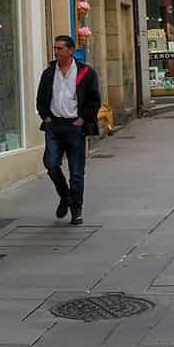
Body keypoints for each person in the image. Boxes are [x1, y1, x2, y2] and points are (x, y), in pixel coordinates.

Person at [35, 35, 102, 224]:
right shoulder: (49, 73)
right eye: (54, 48)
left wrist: (82, 119)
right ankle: (65, 195)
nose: (56, 51)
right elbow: (41, 98)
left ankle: (76, 208)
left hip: (75, 127)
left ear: (71, 51)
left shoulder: (86, 73)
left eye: (60, 48)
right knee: (51, 163)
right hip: (54, 125)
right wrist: (46, 117)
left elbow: (94, 99)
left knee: (77, 171)